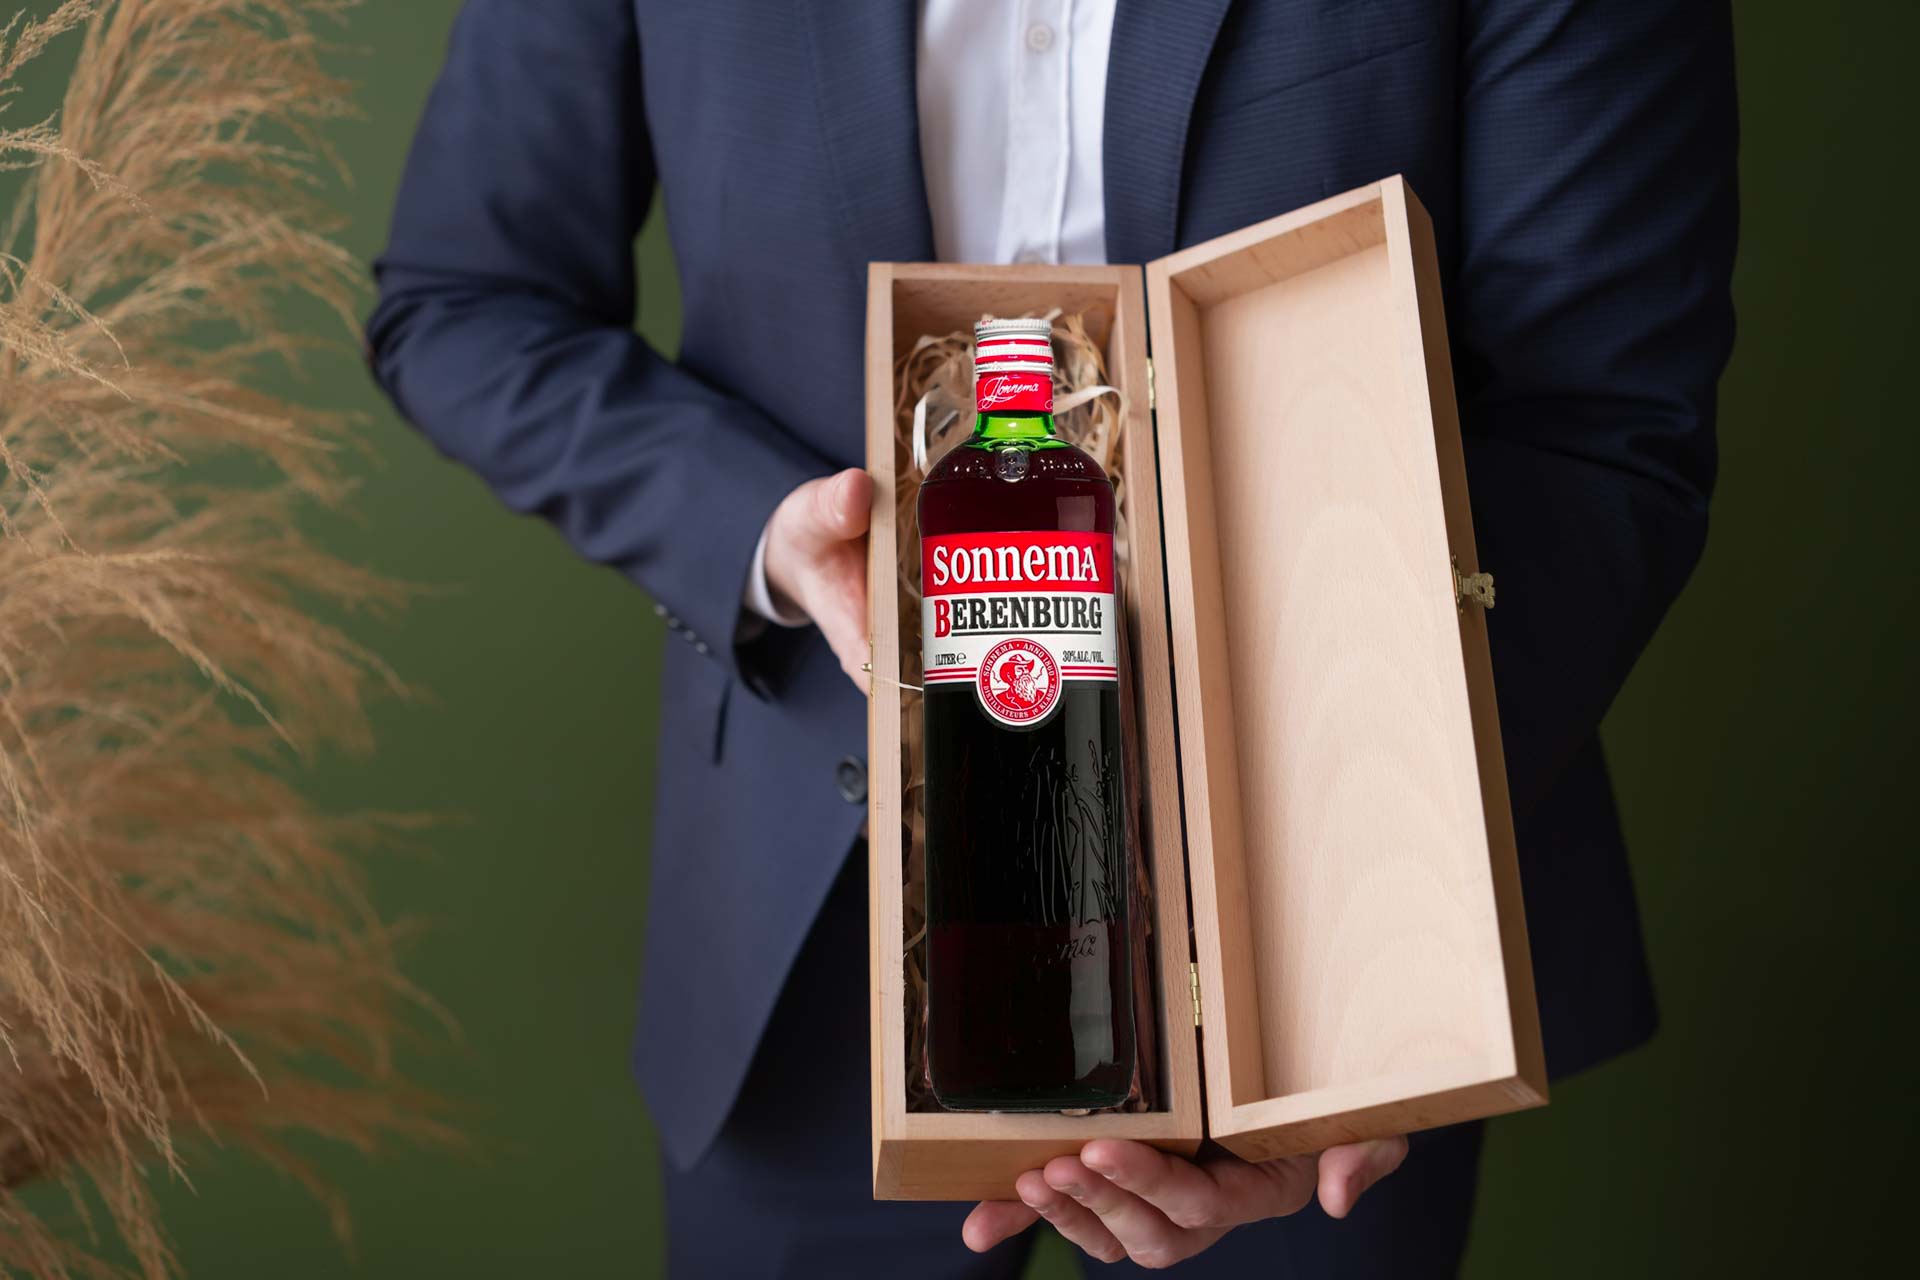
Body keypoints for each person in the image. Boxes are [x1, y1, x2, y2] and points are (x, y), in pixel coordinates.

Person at [367, 1, 1737, 1274]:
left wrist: (1371, 923)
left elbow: (1601, 419)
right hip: (810, 923)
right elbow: (463, 298)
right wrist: (765, 532)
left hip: (1333, 924)